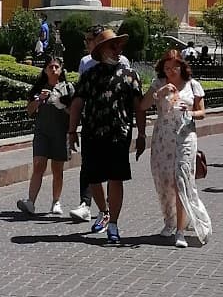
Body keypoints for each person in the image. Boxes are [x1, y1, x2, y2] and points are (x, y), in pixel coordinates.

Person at [67, 28, 146, 246]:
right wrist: (72, 131)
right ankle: (104, 211)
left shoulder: (130, 76)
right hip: (92, 133)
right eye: (113, 46)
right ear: (102, 50)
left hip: (119, 135)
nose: (118, 49)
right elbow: (77, 104)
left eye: (119, 45)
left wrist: (141, 134)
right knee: (93, 177)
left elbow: (139, 107)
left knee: (116, 178)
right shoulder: (89, 76)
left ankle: (114, 224)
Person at [140, 48, 211, 247]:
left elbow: (202, 112)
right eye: (167, 68)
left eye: (174, 67)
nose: (171, 71)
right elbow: (142, 106)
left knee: (181, 180)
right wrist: (158, 94)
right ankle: (170, 221)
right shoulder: (158, 84)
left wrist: (189, 111)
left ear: (182, 67)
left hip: (185, 137)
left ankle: (180, 230)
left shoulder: (193, 85)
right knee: (164, 181)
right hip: (163, 138)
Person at [18, 57, 73, 217]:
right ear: (45, 70)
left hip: (60, 133)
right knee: (39, 165)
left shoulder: (67, 88)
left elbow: (74, 112)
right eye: (50, 67)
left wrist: (63, 106)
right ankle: (31, 201)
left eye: (56, 67)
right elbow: (29, 111)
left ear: (61, 70)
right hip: (42, 133)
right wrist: (39, 100)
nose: (54, 69)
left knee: (57, 169)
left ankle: (56, 201)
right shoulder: (39, 89)